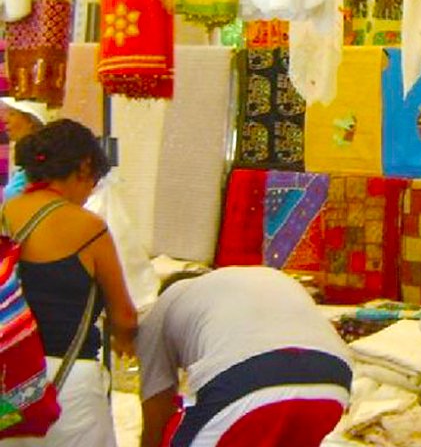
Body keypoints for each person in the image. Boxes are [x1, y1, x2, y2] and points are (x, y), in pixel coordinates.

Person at [2, 119, 138, 447]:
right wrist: (126, 342)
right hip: (70, 383)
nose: (89, 193)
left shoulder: (5, 214)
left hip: (9, 375)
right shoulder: (88, 227)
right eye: (93, 182)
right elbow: (124, 317)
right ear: (83, 167)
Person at [136, 266, 353, 447]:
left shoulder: (162, 309)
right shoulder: (261, 280)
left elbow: (157, 414)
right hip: (332, 383)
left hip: (248, 382)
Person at [1, 96, 50, 200]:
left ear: (30, 121)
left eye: (12, 114)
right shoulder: (18, 154)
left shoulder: (43, 159)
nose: (5, 120)